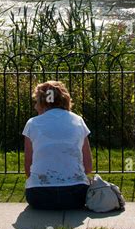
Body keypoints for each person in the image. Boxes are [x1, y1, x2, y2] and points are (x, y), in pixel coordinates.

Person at [23, 80, 92, 210]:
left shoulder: (32, 124)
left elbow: (28, 168)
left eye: (36, 102)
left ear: (43, 102)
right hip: (75, 196)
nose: (35, 106)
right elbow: (88, 167)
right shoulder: (78, 121)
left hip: (39, 196)